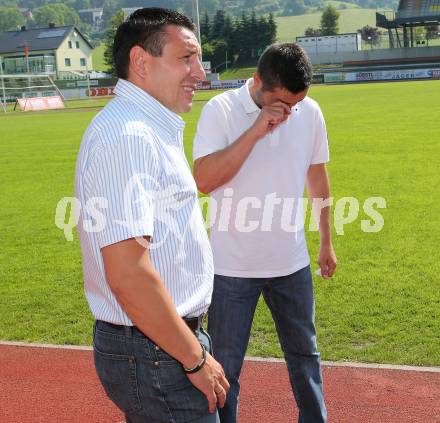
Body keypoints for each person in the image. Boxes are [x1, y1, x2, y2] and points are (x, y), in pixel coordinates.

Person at [74, 8, 229, 423]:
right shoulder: (129, 137)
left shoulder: (146, 128)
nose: (200, 73)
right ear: (141, 62)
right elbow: (128, 274)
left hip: (160, 345)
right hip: (158, 351)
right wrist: (195, 359)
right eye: (186, 59)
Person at [193, 43, 337, 423]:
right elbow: (204, 180)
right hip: (231, 270)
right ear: (256, 82)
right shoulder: (220, 111)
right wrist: (256, 130)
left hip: (292, 265)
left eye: (297, 103)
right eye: (282, 104)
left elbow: (317, 178)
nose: (291, 113)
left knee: (306, 357)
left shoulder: (310, 112)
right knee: (225, 369)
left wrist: (326, 240)